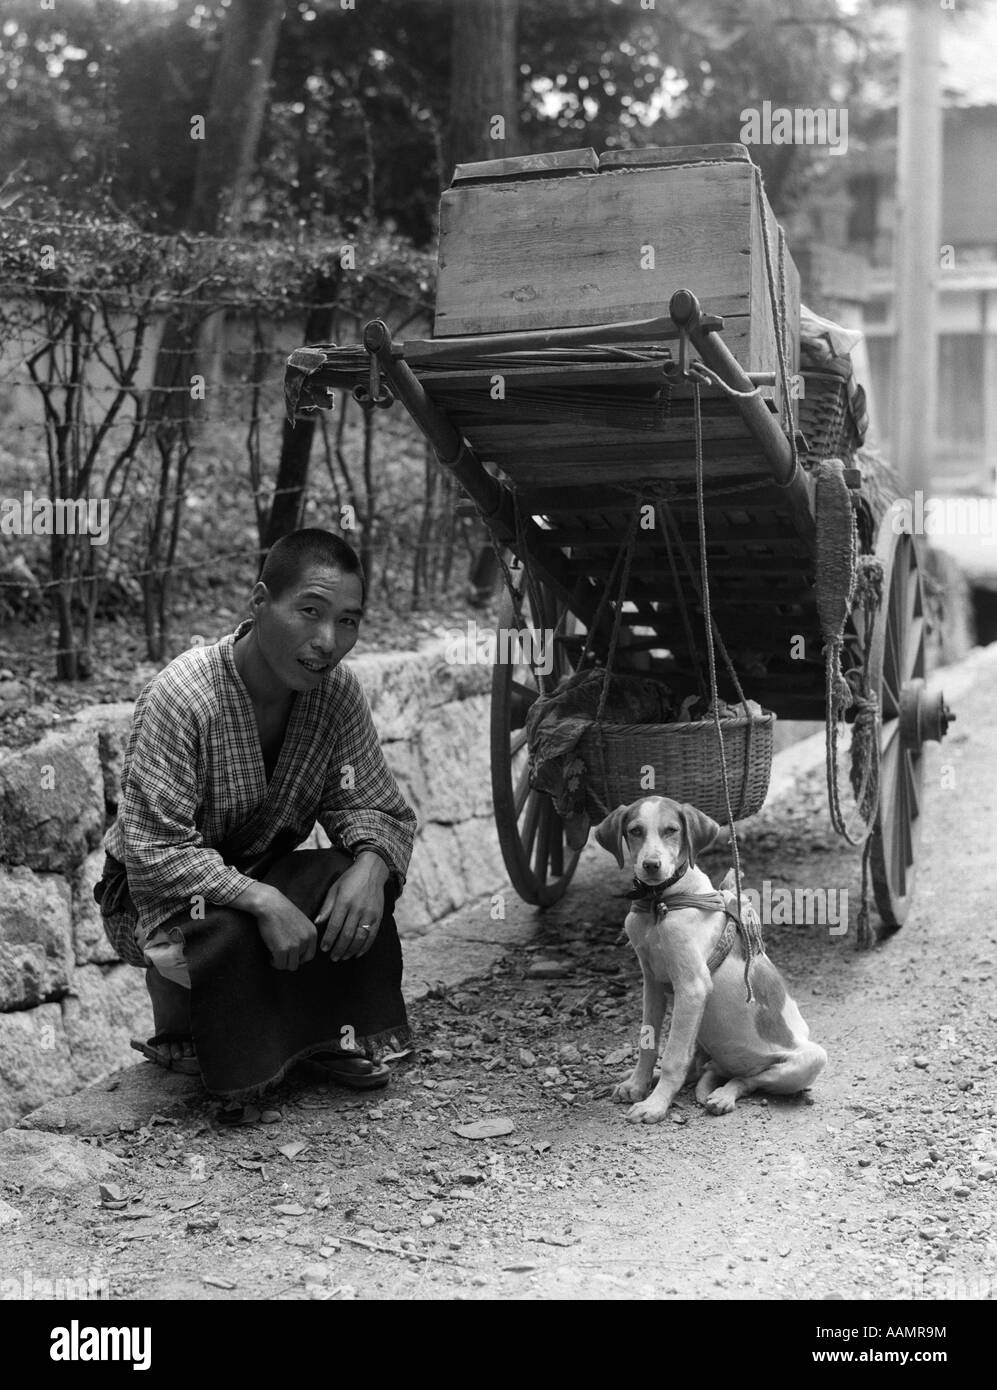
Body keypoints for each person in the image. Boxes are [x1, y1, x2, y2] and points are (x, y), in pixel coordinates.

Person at [94, 529, 417, 1100]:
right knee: (229, 933)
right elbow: (155, 853)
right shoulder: (184, 695)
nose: (327, 640)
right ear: (260, 602)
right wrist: (264, 901)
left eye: (347, 620)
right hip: (160, 899)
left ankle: (324, 1036)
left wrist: (371, 865)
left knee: (355, 879)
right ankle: (203, 1029)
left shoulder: (335, 694)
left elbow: (374, 807)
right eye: (310, 612)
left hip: (262, 874)